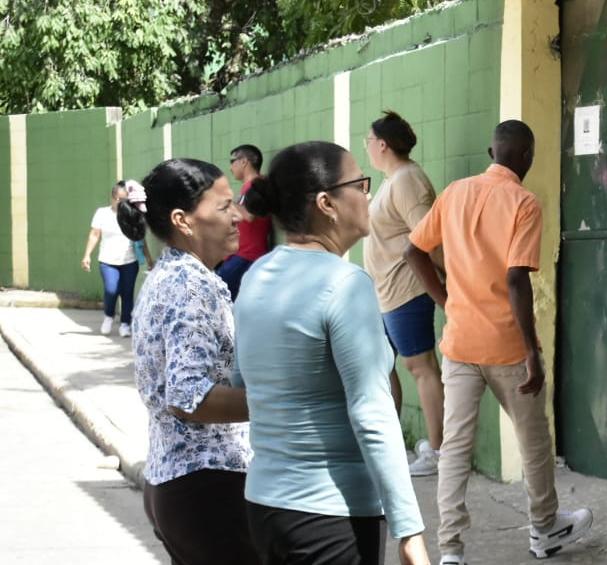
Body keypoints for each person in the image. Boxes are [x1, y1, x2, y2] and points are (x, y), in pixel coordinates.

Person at [233, 141, 430, 565]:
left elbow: (242, 381)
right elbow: (372, 412)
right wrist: (409, 529)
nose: (369, 195)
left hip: (264, 506)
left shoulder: (257, 276)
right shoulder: (346, 285)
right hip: (331, 516)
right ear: (327, 203)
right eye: (360, 185)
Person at [405, 120, 592, 564]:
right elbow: (515, 277)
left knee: (454, 447)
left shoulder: (454, 193)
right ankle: (544, 528)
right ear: (527, 156)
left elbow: (413, 251)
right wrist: (531, 350)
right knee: (534, 442)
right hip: (507, 347)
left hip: (459, 343)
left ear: (492, 151)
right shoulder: (523, 202)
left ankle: (449, 551)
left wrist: (445, 299)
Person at [116, 159, 257, 565]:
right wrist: (283, 400)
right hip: (206, 490)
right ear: (183, 220)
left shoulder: (173, 276)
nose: (236, 217)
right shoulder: (189, 286)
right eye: (224, 206)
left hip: (181, 483)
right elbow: (189, 398)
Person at [364, 110, 445, 477]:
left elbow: (429, 237)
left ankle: (440, 451)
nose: (367, 147)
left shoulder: (408, 180)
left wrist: (449, 284)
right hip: (386, 292)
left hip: (407, 289)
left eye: (369, 141)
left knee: (421, 367)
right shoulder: (391, 180)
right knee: (384, 367)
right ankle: (389, 444)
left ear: (382, 144)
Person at [82, 180, 151, 337]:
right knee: (111, 290)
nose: (123, 202)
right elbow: (94, 235)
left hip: (129, 261)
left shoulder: (132, 213)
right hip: (107, 261)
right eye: (121, 199)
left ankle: (125, 324)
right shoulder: (102, 213)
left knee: (127, 293)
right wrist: (87, 256)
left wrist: (148, 258)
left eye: (126, 199)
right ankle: (108, 315)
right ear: (114, 198)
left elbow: (140, 237)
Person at [216, 144, 271, 300]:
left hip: (249, 255)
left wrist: (226, 201)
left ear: (244, 162)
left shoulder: (256, 185)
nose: (231, 167)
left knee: (218, 297)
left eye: (233, 161)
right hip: (240, 255)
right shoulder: (249, 186)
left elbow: (250, 215)